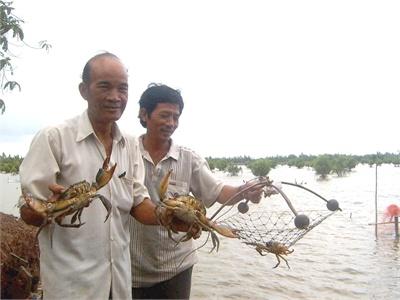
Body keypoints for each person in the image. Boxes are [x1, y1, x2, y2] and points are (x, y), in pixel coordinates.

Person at [19, 52, 161, 300]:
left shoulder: (129, 144)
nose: (116, 97)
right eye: (104, 86)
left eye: (123, 89)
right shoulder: (54, 138)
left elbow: (138, 202)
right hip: (71, 286)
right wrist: (46, 209)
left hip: (118, 284)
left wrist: (167, 215)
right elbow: (29, 209)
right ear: (84, 90)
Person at [129, 83, 268, 299]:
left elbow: (217, 191)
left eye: (176, 117)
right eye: (165, 115)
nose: (171, 123)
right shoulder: (127, 153)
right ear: (144, 114)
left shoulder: (188, 158)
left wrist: (244, 190)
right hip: (130, 269)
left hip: (177, 268)